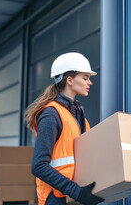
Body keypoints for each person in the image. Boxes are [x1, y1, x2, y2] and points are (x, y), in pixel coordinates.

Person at [26, 52, 104, 205]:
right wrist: (77, 192)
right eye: (85, 78)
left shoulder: (79, 116)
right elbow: (38, 166)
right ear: (69, 80)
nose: (90, 83)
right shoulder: (51, 114)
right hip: (56, 198)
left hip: (73, 195)